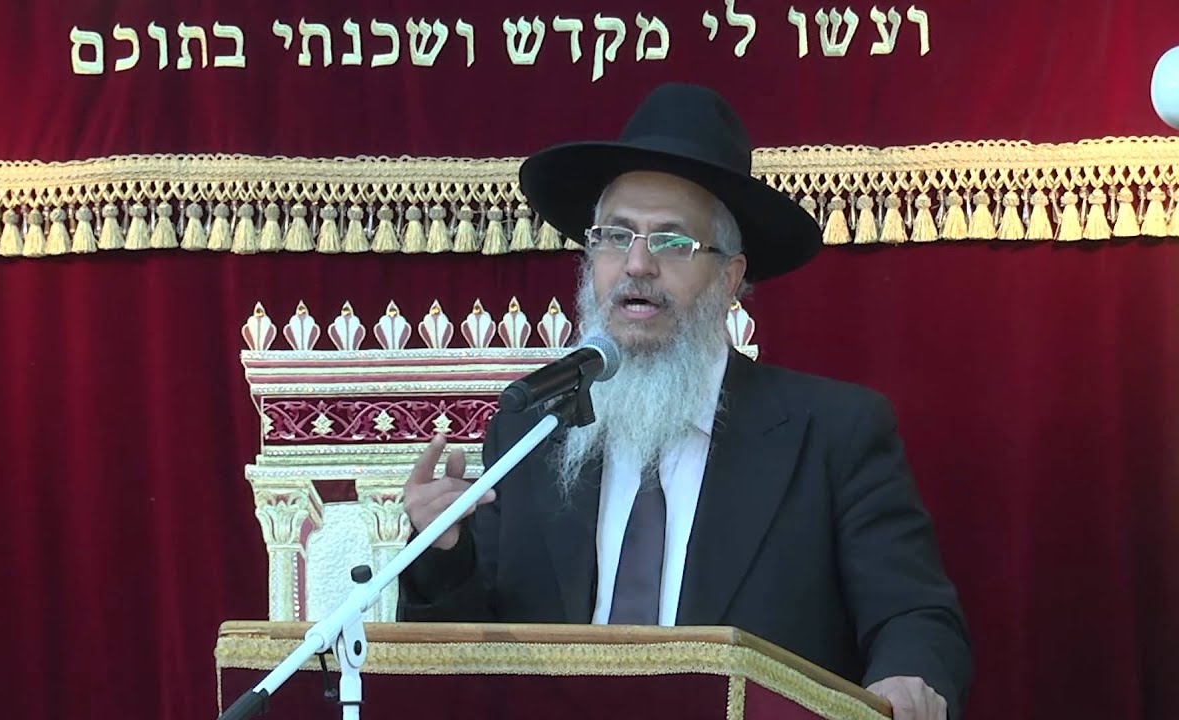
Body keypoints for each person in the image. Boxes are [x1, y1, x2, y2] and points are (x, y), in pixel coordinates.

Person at [397, 82, 972, 720]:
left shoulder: (834, 433)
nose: (637, 264)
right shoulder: (532, 430)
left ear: (729, 278)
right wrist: (441, 555)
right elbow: (470, 666)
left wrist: (906, 677)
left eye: (672, 242)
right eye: (615, 236)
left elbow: (915, 617)